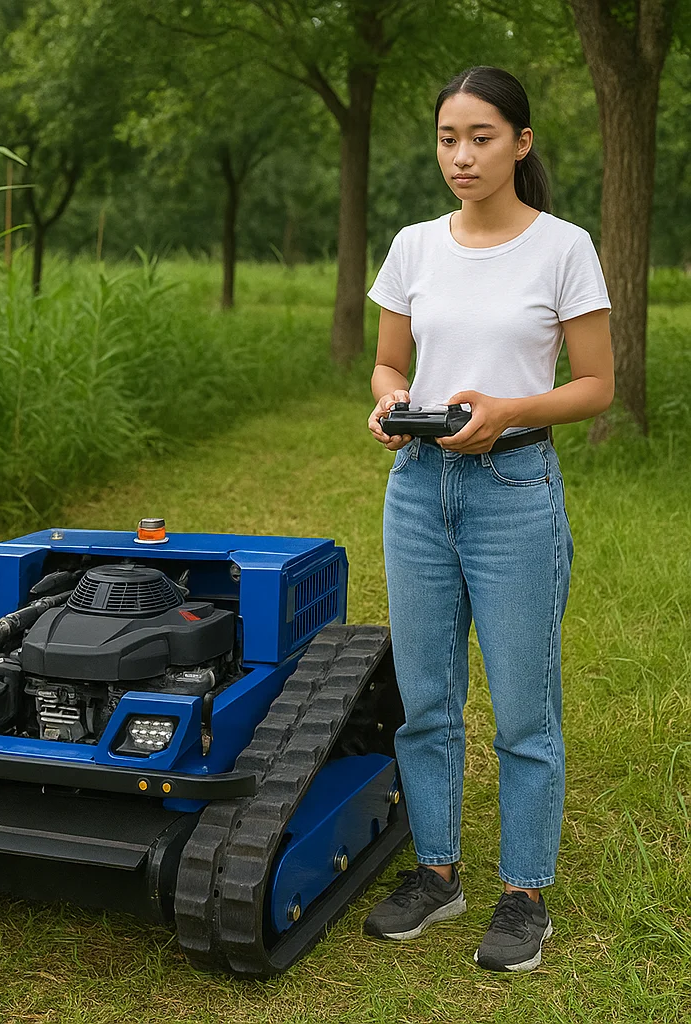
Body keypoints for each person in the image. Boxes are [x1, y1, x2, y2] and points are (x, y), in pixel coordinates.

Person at [362, 66, 614, 972]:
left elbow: (595, 385)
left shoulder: (563, 248)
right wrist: (393, 406)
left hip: (514, 494)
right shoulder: (414, 246)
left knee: (522, 710)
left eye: (481, 137)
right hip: (418, 494)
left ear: (522, 143)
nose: (461, 156)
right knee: (425, 701)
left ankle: (524, 895)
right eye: (447, 139)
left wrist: (507, 411)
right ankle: (437, 874)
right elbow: (391, 365)